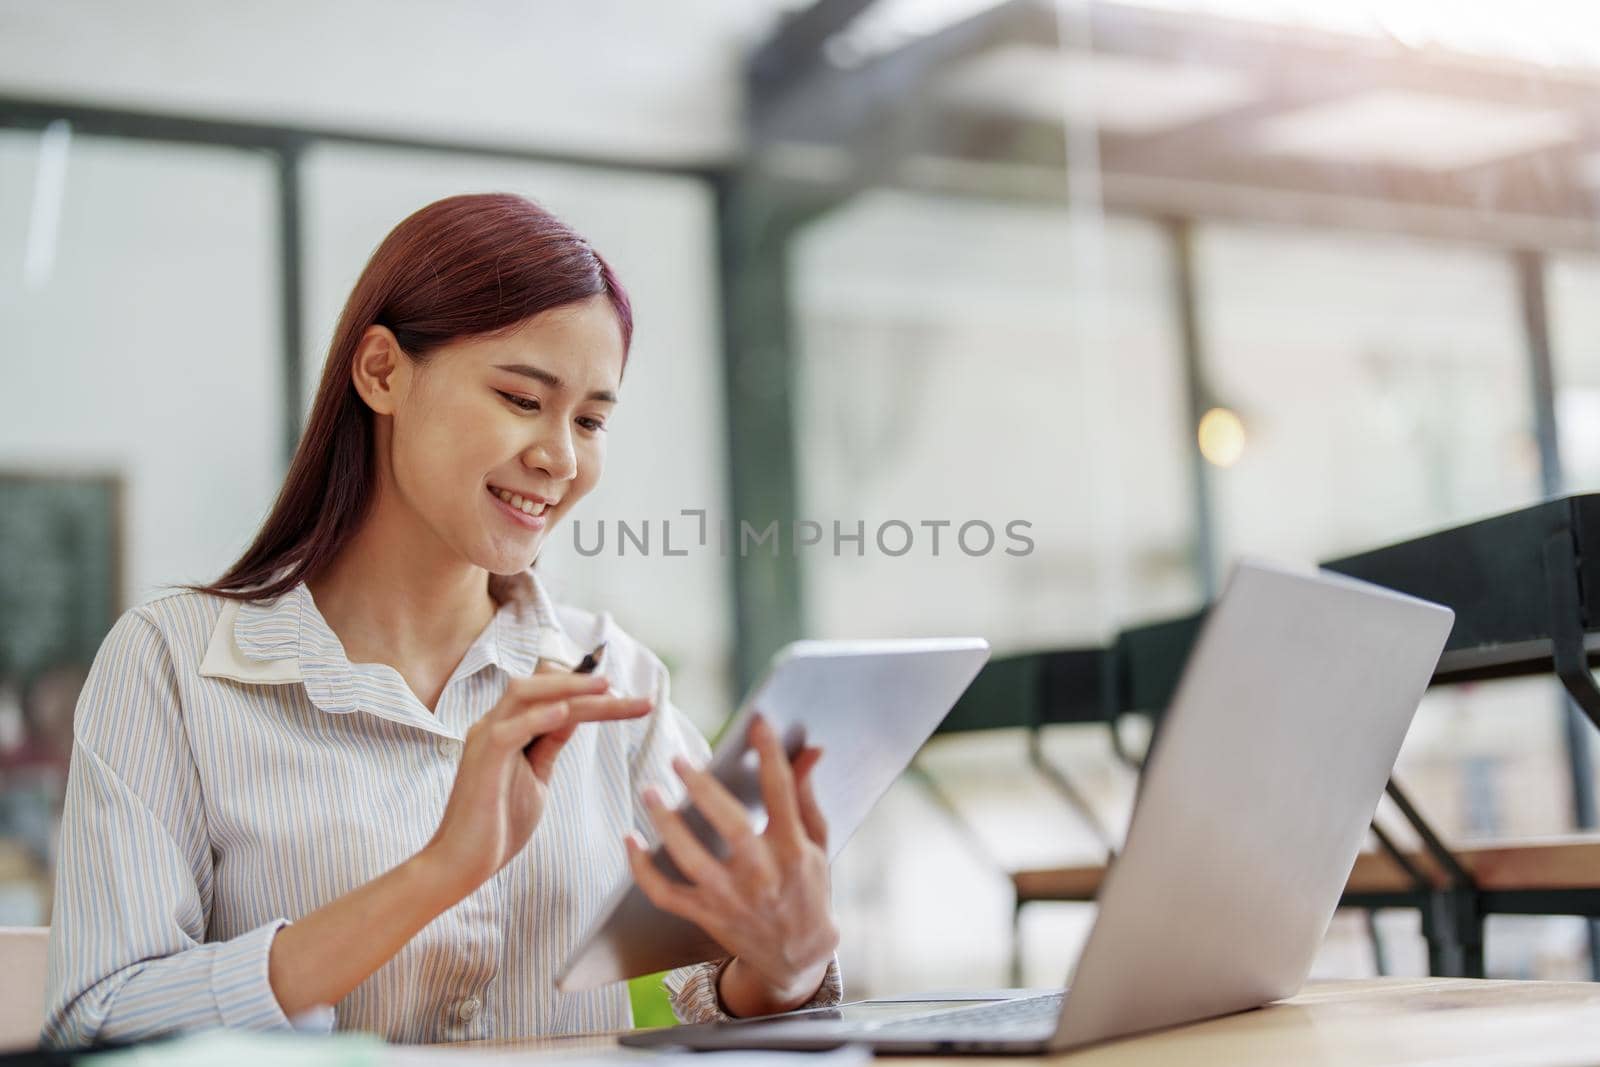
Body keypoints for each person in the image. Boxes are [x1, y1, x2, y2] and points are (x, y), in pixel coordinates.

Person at [42, 193, 842, 1046]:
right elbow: (97, 1023)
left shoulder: (615, 678)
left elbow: (711, 996)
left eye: (591, 419)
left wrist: (781, 967)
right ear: (382, 371)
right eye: (520, 397)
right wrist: (437, 873)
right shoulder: (172, 664)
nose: (560, 457)